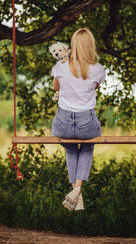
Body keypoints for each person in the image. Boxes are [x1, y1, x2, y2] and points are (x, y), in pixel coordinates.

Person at [51, 28, 106, 211]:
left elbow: (55, 87)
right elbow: (94, 87)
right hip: (86, 125)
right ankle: (78, 188)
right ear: (91, 46)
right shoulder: (98, 69)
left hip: (63, 125)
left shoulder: (60, 66)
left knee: (71, 149)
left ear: (72, 46)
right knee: (88, 145)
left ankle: (75, 192)